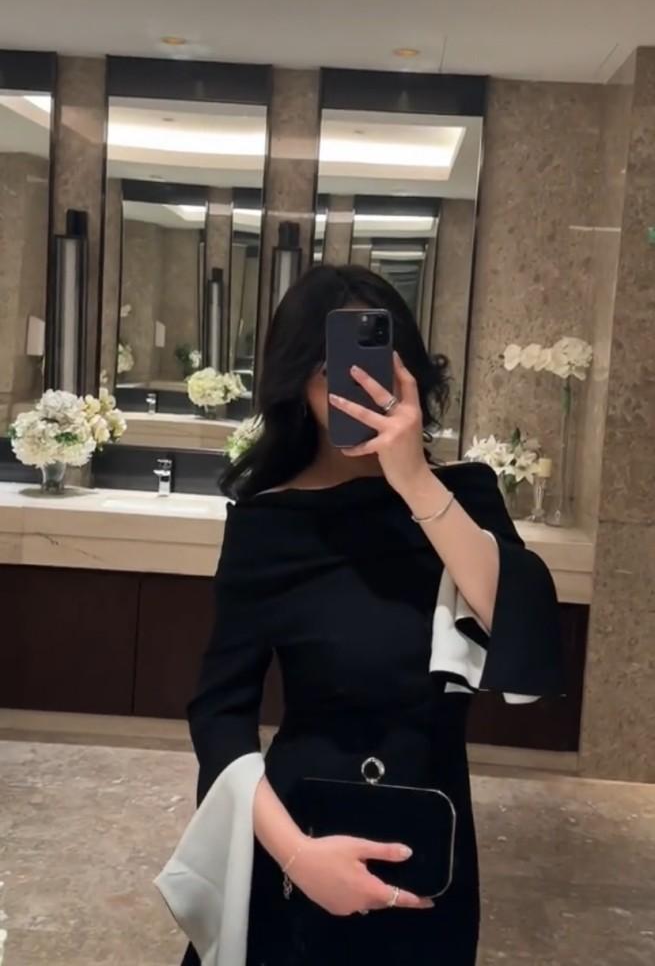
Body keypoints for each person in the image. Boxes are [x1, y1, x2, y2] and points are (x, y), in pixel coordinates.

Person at [169, 265, 563, 966]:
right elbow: (219, 714)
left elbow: (519, 632)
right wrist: (297, 856)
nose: (353, 385)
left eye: (373, 362)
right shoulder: (270, 525)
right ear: (296, 384)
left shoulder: (462, 500)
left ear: (406, 371)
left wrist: (412, 478)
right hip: (300, 840)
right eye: (328, 369)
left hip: (430, 838)